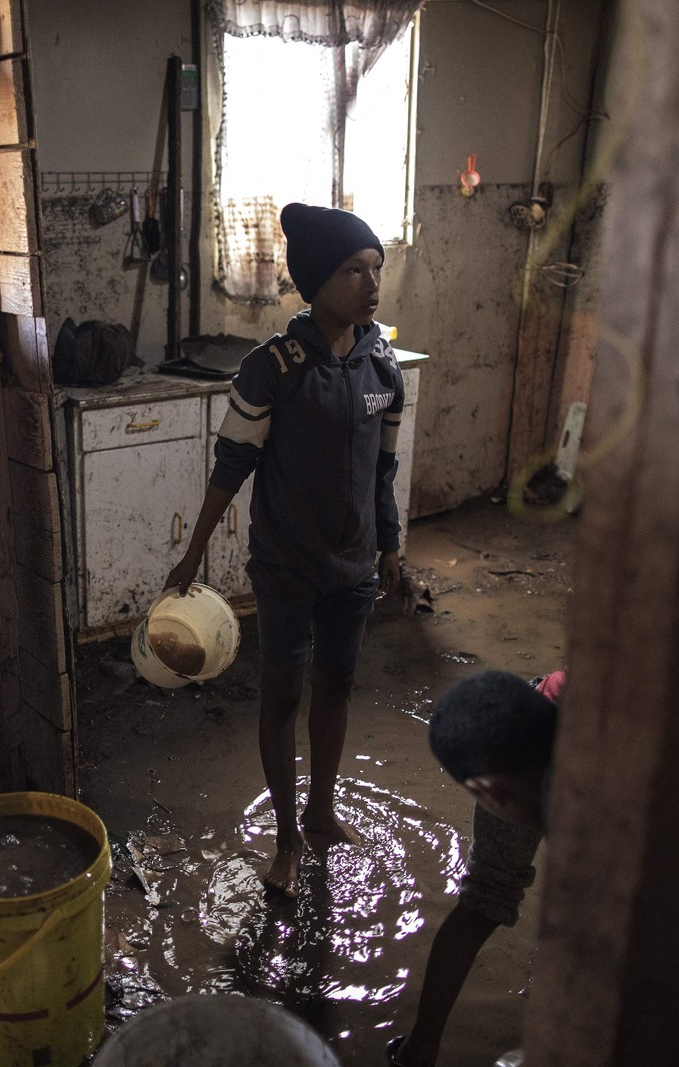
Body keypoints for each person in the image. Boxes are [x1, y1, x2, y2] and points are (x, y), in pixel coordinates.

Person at [165, 203, 404, 897]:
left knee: (335, 688)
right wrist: (194, 554)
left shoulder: (382, 364)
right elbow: (232, 464)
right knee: (282, 693)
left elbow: (383, 472)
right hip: (287, 566)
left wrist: (389, 547)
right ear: (314, 281)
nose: (370, 282)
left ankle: (322, 808)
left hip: (353, 565)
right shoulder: (273, 367)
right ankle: (287, 838)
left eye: (376, 269)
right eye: (353, 270)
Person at [387, 669, 565, 1067]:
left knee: (486, 893)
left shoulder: (593, 812)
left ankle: (420, 1048)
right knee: (487, 890)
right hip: (544, 714)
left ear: (490, 795)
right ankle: (421, 1046)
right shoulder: (531, 728)